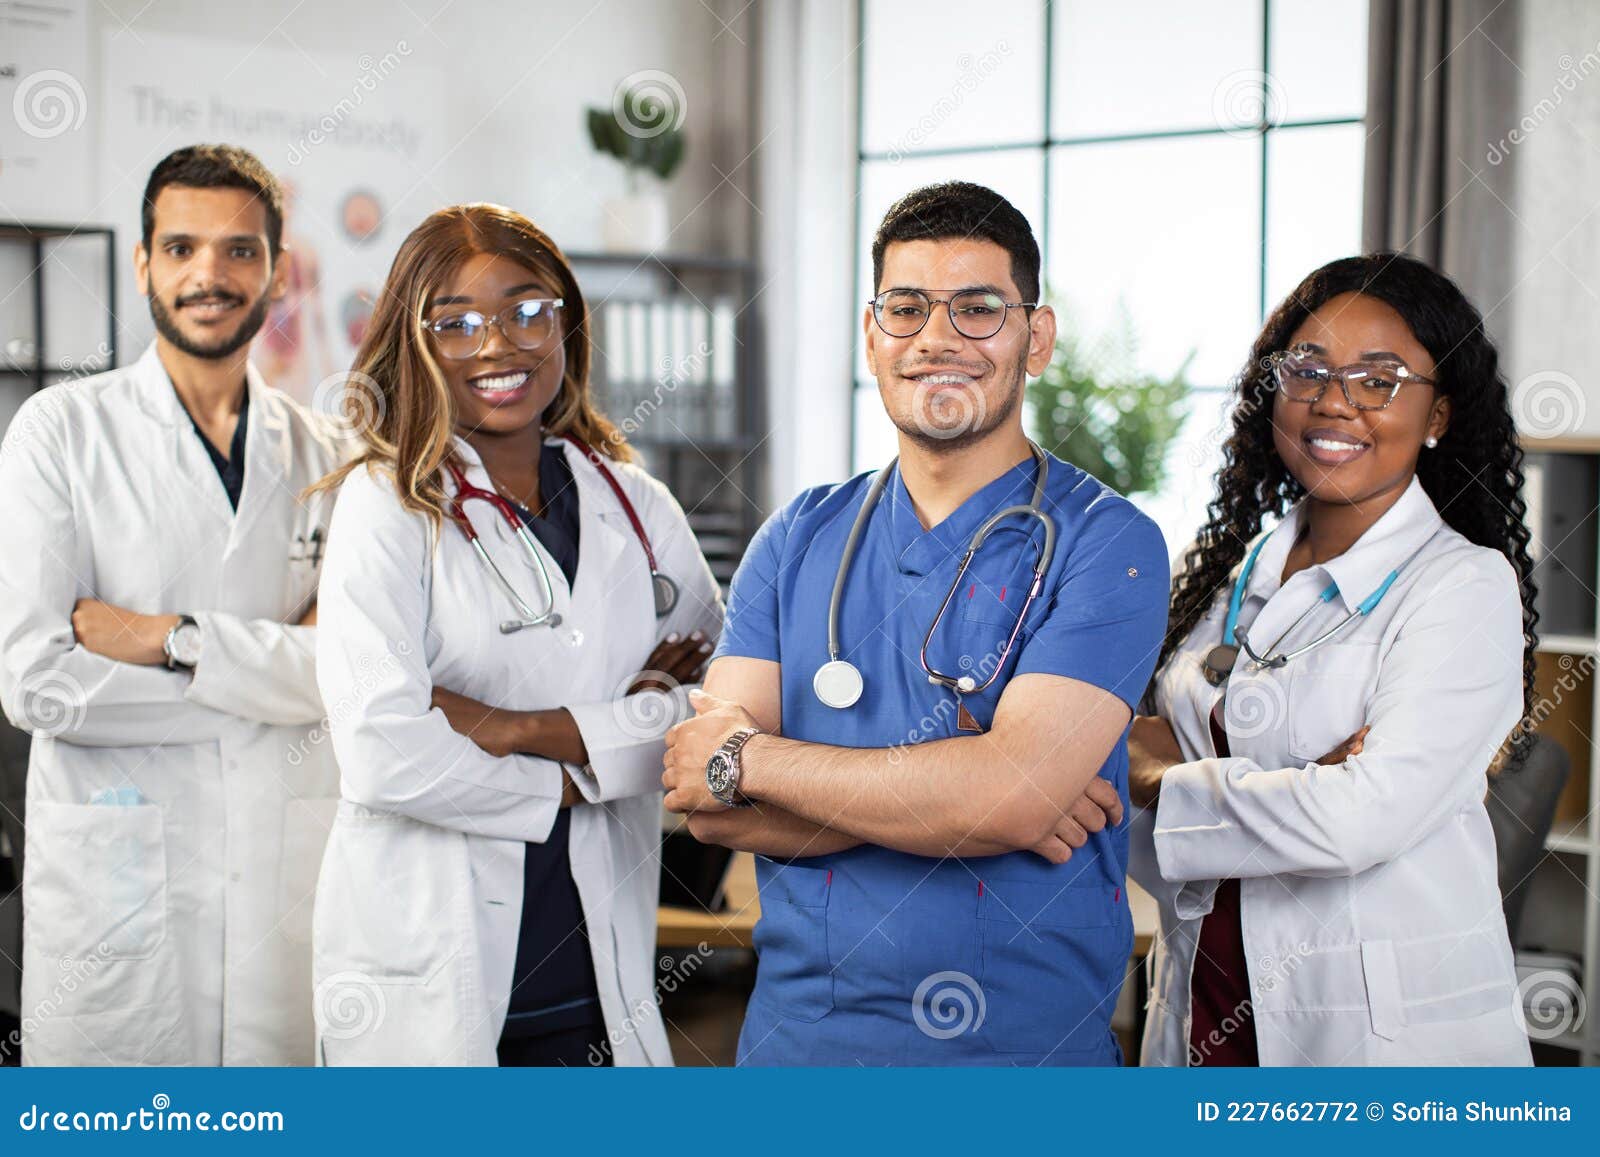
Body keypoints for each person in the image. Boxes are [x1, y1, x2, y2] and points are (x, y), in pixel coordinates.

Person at [662, 181, 1170, 1065]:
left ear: (1034, 338)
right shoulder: (798, 536)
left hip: (1020, 1060)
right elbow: (708, 806)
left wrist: (759, 760)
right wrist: (974, 798)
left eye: (978, 309)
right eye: (907, 308)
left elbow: (1011, 798)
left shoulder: (1108, 543)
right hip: (800, 1052)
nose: (938, 338)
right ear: (873, 335)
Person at [310, 204, 723, 1067]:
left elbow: (716, 713)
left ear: (565, 319)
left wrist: (512, 727)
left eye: (526, 309)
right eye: (455, 324)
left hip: (598, 975)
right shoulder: (387, 506)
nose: (498, 344)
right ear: (414, 344)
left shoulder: (635, 506)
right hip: (431, 977)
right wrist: (591, 765)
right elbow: (384, 751)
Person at [1127, 253, 1537, 1067]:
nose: (1334, 400)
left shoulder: (1461, 586)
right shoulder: (1221, 579)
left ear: (1439, 415)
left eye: (1380, 380)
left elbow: (1361, 819)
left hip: (1377, 1042)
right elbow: (1112, 796)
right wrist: (1297, 781)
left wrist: (1161, 774)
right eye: (1306, 369)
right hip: (1202, 995)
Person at [0, 144, 345, 1065]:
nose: (210, 274)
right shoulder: (59, 433)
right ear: (145, 262)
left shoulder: (333, 457)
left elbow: (352, 675)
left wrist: (164, 641)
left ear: (276, 269)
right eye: (182, 246)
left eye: (240, 250)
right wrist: (274, 672)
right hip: (116, 900)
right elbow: (39, 684)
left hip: (285, 891)